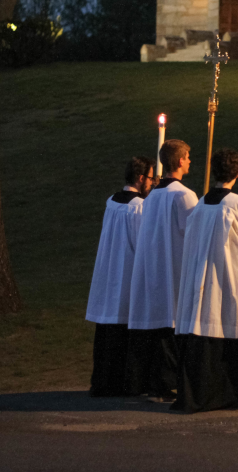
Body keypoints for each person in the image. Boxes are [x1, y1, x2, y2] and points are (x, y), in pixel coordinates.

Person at [172, 148, 238, 413]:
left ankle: (208, 392)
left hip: (206, 275)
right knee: (235, 320)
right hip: (231, 274)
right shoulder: (237, 203)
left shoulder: (202, 204)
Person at [125, 139, 198, 399]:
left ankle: (155, 381)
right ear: (179, 161)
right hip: (175, 266)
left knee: (159, 324)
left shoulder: (152, 195)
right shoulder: (183, 195)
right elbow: (194, 233)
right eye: (188, 157)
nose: (190, 161)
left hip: (153, 265)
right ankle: (170, 382)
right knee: (172, 323)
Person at [85, 156, 155, 397]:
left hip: (110, 269)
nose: (153, 183)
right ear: (140, 178)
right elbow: (142, 244)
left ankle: (104, 381)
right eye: (151, 178)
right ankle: (128, 382)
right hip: (127, 272)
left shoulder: (112, 202)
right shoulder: (138, 207)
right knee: (125, 326)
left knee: (109, 328)